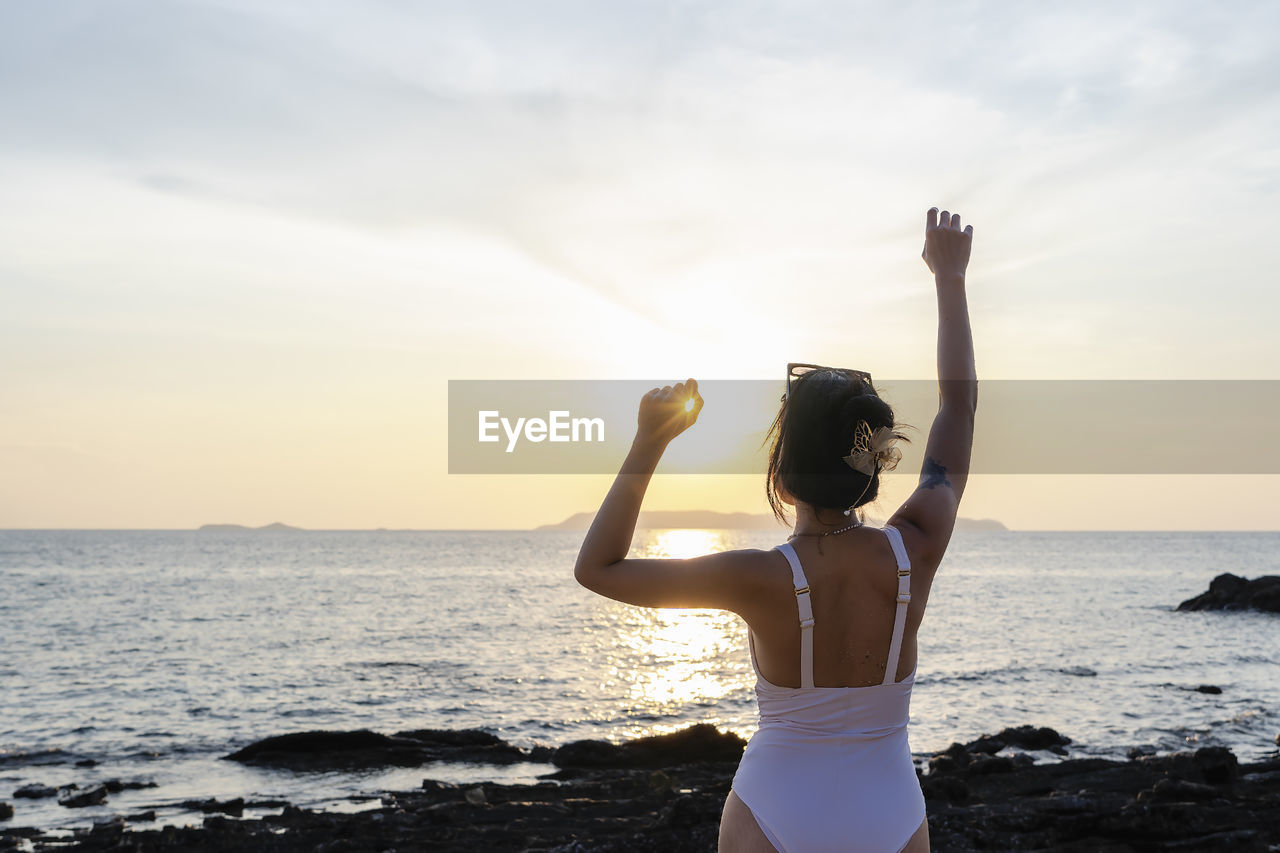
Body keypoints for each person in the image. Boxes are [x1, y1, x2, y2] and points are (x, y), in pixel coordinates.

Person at [575, 207, 977, 852]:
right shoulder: (918, 544)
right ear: (873, 472)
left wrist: (649, 442)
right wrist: (950, 277)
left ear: (783, 480)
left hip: (776, 802)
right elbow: (958, 407)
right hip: (891, 807)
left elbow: (598, 570)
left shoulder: (758, 576)